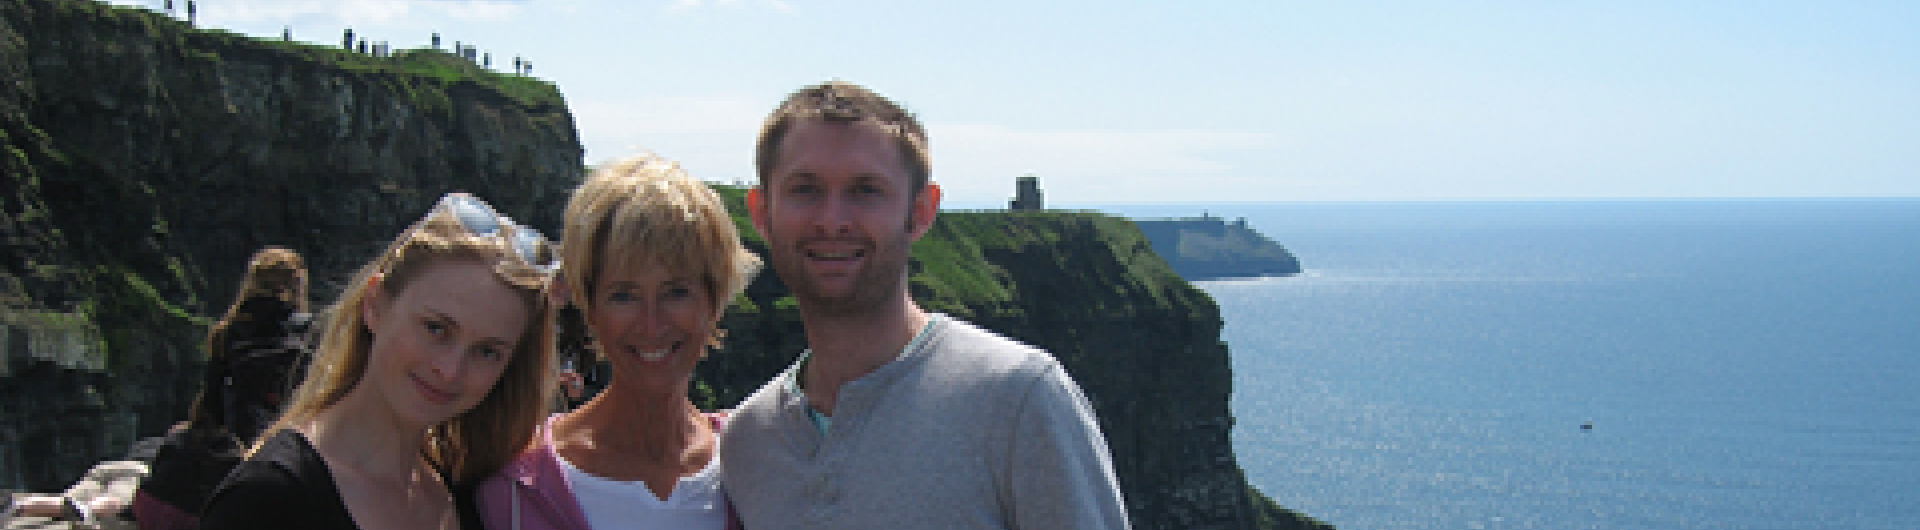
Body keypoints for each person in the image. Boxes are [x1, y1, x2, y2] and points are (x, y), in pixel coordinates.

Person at [720, 81, 1132, 530]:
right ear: (762, 213)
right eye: (805, 189)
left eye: (865, 190)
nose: (833, 220)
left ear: (920, 212)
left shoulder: (1018, 401)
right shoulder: (748, 442)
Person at [200, 192, 559, 530]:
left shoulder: (470, 495)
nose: (450, 370)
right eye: (436, 328)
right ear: (374, 304)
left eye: (487, 351)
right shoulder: (267, 500)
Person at [473, 154, 760, 530]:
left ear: (714, 301)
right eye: (624, 295)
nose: (651, 324)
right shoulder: (513, 490)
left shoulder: (756, 467)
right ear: (589, 307)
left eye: (676, 292)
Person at [133, 246, 314, 530]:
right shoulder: (303, 338)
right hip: (265, 468)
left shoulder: (226, 332)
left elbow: (210, 403)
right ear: (295, 287)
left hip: (201, 475)